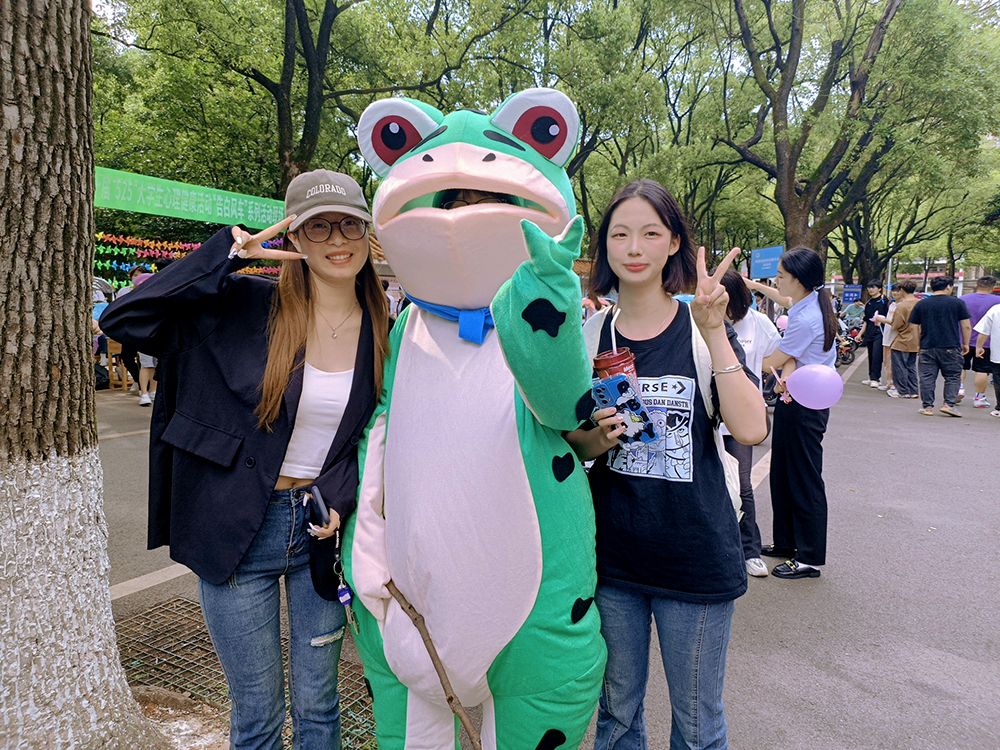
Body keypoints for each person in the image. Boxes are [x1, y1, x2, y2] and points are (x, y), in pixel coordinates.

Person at [100, 169, 390, 750]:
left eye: (350, 225)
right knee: (257, 713)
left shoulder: (387, 328)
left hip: (321, 531)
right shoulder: (243, 302)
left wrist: (341, 497)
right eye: (318, 227)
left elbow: (373, 433)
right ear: (294, 236)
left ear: (367, 233)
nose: (337, 239)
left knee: (319, 705)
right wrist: (228, 254)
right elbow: (125, 319)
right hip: (235, 526)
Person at [565, 179, 766, 750]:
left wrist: (713, 331)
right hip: (612, 560)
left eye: (651, 233)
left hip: (695, 560)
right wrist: (599, 438)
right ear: (604, 245)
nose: (634, 248)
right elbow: (575, 444)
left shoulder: (701, 331)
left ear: (674, 243)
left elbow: (751, 428)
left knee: (698, 726)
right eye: (620, 234)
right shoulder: (590, 335)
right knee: (616, 717)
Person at [759, 247, 838, 580]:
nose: (777, 280)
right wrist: (750, 284)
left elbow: (770, 362)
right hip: (796, 398)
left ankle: (809, 557)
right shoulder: (809, 302)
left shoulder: (806, 318)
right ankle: (786, 542)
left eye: (781, 275)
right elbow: (781, 298)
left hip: (805, 405)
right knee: (782, 473)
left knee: (804, 478)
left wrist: (737, 357)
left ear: (799, 280)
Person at [720, 270, 781, 579]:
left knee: (742, 484)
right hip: (707, 418)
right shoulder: (697, 318)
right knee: (706, 483)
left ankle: (750, 551)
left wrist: (781, 378)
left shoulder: (759, 323)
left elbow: (781, 356)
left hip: (741, 419)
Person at [908, 276, 971, 417]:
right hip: (951, 346)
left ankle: (927, 407)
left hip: (927, 346)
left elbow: (913, 326)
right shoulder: (957, 303)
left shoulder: (922, 304)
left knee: (927, 377)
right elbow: (966, 326)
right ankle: (949, 405)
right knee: (953, 376)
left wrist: (918, 343)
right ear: (948, 286)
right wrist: (965, 343)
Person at [959, 275, 1000, 408]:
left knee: (961, 366)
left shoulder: (963, 299)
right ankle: (979, 398)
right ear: (993, 287)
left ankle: (959, 388)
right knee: (982, 370)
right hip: (986, 342)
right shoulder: (997, 302)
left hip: (963, 339)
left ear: (976, 285)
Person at [887, 280, 920, 399]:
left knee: (899, 366)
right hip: (916, 340)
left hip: (902, 340)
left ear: (902, 290)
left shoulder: (901, 307)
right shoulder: (920, 304)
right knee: (911, 366)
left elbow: (896, 325)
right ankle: (914, 390)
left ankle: (902, 390)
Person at [855, 280, 889, 388]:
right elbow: (866, 320)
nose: (870, 290)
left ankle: (876, 378)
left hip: (880, 332)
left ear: (879, 289)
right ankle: (871, 377)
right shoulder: (868, 303)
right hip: (869, 332)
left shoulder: (884, 301)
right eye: (869, 287)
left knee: (877, 355)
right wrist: (860, 334)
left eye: (873, 287)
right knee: (870, 355)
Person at [973, 302, 1000, 418]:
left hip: (998, 353)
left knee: (998, 380)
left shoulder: (996, 310)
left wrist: (979, 347)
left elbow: (984, 331)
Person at [871, 284, 900, 392]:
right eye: (894, 291)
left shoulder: (901, 306)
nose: (895, 293)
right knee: (887, 362)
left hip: (895, 339)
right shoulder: (892, 304)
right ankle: (889, 383)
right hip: (887, 337)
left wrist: (882, 320)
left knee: (894, 363)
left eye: (898, 291)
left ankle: (895, 385)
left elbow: (896, 323)